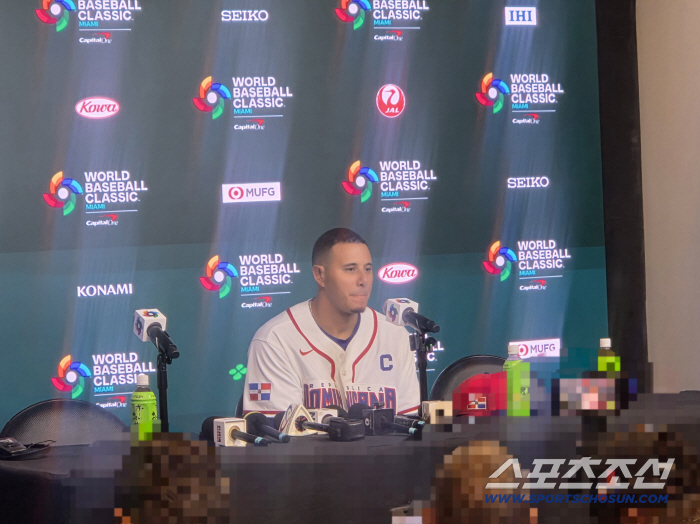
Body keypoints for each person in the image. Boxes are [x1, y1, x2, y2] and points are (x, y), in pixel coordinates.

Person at [243, 228, 420, 415]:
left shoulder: (395, 336)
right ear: (320, 275)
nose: (363, 280)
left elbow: (410, 423)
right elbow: (278, 431)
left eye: (367, 269)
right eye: (350, 269)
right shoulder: (275, 340)